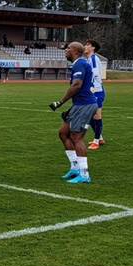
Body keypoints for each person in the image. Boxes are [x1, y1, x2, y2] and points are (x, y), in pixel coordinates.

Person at [49, 41, 97, 183]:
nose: (66, 50)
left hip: (85, 104)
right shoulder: (80, 63)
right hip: (80, 104)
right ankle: (75, 167)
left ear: (75, 51)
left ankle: (84, 174)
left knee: (77, 137)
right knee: (63, 133)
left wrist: (60, 102)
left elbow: (77, 85)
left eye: (68, 48)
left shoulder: (79, 64)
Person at [85, 39, 106, 149]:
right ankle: (100, 138)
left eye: (87, 45)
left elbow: (96, 73)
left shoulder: (93, 58)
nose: (85, 46)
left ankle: (96, 141)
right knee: (90, 116)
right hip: (92, 91)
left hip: (96, 91)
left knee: (97, 116)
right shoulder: (89, 59)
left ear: (93, 48)